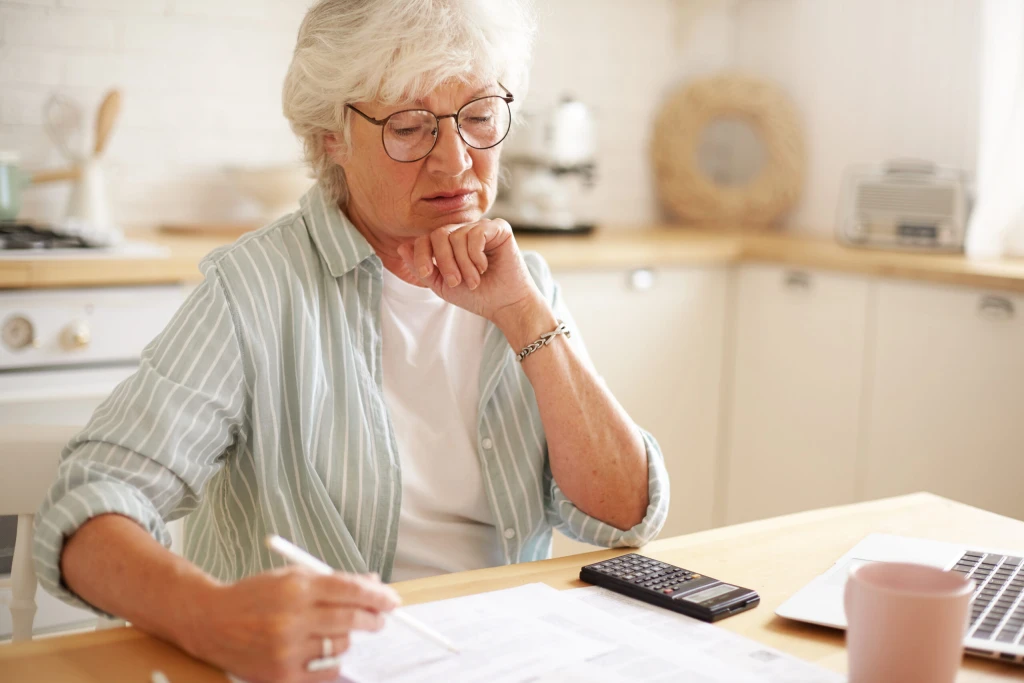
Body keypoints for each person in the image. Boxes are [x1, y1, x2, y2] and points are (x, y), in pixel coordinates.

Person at [33, 1, 669, 681]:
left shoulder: (523, 279)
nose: (456, 160)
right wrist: (211, 617)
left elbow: (623, 514)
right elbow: (88, 504)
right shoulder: (256, 288)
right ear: (331, 133)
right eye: (410, 126)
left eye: (480, 117)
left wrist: (525, 316)